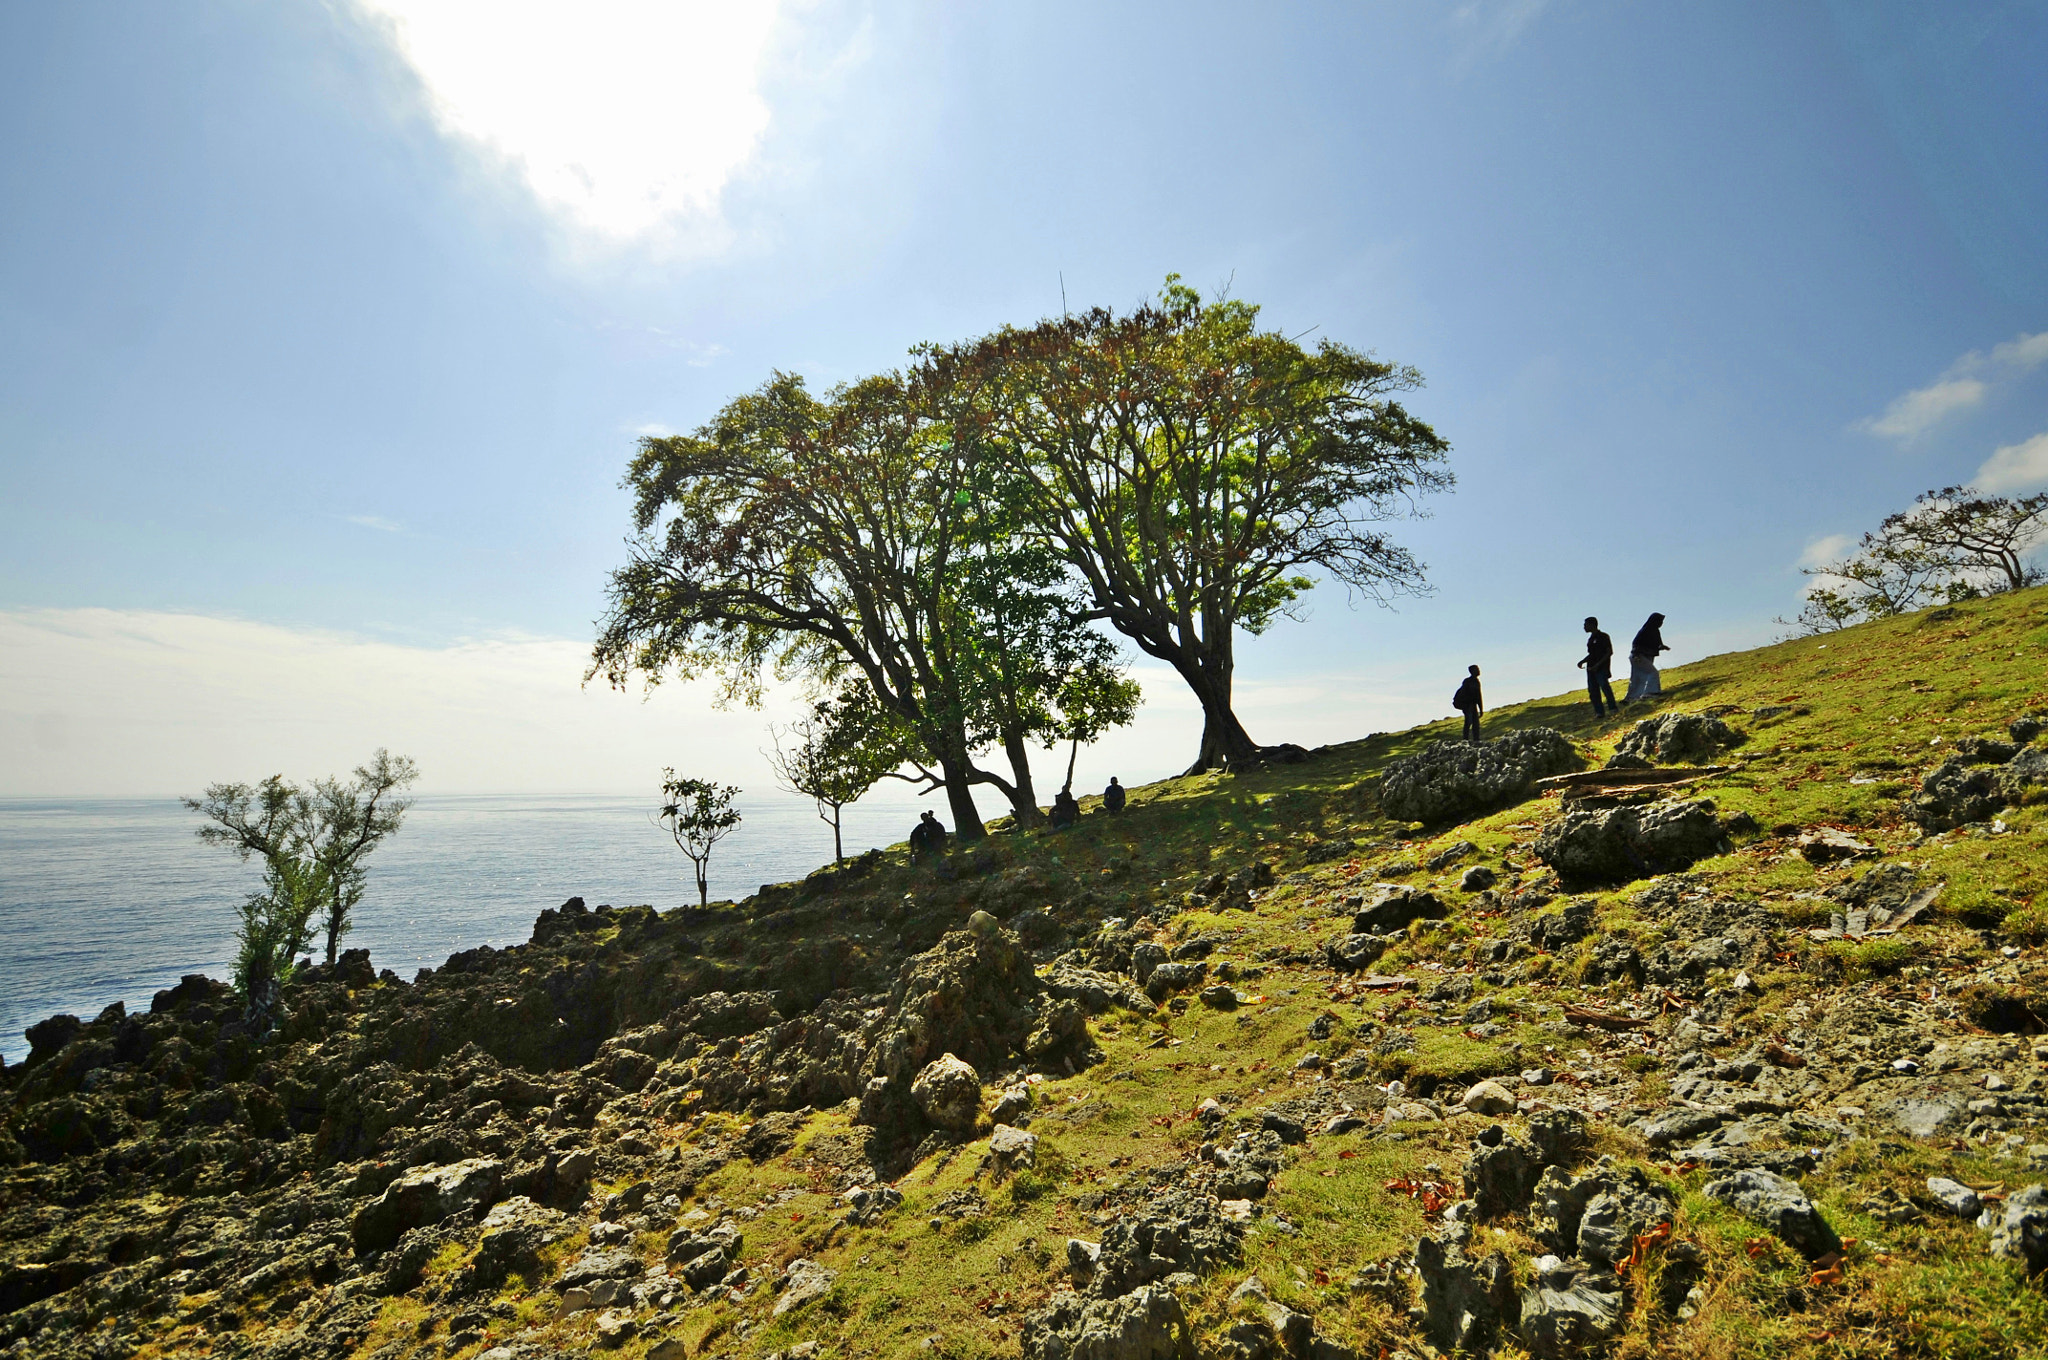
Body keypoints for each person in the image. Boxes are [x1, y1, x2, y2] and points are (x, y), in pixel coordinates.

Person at [1577, 616, 1618, 718]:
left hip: (1601, 668)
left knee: (1605, 687)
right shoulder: (1590, 640)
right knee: (1593, 691)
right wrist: (1583, 661)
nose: (1584, 627)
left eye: (1585, 625)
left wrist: (1598, 665)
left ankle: (1613, 708)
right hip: (1591, 668)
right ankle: (1599, 712)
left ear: (1592, 625)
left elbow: (1609, 652)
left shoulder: (1603, 636)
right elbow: (1592, 654)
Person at [1626, 612, 1668, 704]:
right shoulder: (1645, 630)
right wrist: (1636, 655)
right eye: (1659, 621)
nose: (1661, 623)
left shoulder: (1655, 631)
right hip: (1638, 656)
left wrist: (1662, 647)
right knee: (1653, 673)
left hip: (1646, 655)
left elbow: (1657, 644)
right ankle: (1651, 692)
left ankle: (1632, 697)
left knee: (1638, 677)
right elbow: (1636, 643)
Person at [1452, 665, 1484, 741]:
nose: (1479, 671)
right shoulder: (1467, 681)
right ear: (1472, 671)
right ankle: (1465, 739)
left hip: (1473, 705)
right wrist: (1467, 704)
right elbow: (1464, 694)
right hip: (1467, 705)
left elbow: (1479, 696)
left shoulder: (1477, 682)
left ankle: (1476, 740)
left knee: (1476, 724)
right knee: (1468, 722)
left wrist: (1481, 709)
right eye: (1477, 669)